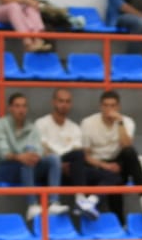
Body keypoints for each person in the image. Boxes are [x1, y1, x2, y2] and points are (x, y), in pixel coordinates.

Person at [0, 91, 67, 221]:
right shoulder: (0, 125)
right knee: (26, 160)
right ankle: (32, 205)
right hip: (1, 167)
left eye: (24, 106)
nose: (21, 110)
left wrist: (35, 155)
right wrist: (21, 157)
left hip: (26, 167)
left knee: (53, 159)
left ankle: (53, 203)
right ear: (10, 108)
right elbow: (3, 152)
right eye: (17, 106)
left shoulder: (32, 128)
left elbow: (38, 150)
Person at [80, 89, 142, 217]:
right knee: (114, 180)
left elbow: (126, 145)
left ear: (118, 107)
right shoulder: (87, 123)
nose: (109, 109)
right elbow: (86, 155)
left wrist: (119, 122)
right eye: (106, 105)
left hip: (119, 162)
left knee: (130, 152)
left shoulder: (127, 121)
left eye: (113, 105)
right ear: (100, 106)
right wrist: (105, 166)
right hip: (98, 165)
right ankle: (119, 224)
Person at [36, 88, 100, 218]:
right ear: (53, 102)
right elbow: (42, 149)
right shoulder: (41, 123)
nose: (64, 104)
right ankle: (79, 198)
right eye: (61, 101)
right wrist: (57, 164)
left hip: (70, 168)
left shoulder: (75, 128)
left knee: (110, 175)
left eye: (67, 101)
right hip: (47, 166)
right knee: (59, 159)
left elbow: (77, 151)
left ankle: (85, 201)